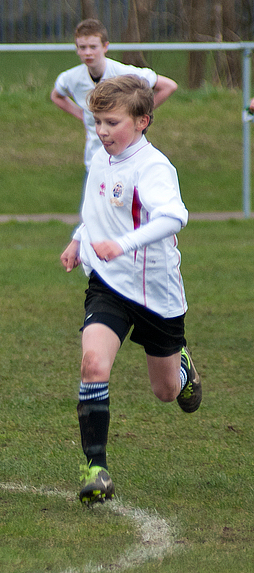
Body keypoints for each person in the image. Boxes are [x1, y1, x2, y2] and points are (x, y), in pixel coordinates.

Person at [59, 75, 202, 505]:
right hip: (108, 285)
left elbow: (173, 217)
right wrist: (80, 238)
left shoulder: (153, 167)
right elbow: (102, 208)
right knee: (92, 363)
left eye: (111, 122)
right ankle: (95, 469)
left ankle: (182, 369)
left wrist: (120, 245)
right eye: (97, 122)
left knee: (165, 393)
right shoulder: (104, 157)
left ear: (143, 121)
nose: (102, 131)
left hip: (156, 292)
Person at [51, 18, 178, 170]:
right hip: (94, 162)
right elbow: (56, 96)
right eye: (82, 47)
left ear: (105, 47)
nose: (88, 53)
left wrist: (136, 114)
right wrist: (81, 114)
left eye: (93, 47)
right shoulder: (71, 78)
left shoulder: (123, 73)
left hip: (127, 160)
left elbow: (169, 86)